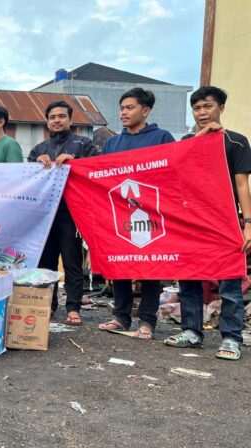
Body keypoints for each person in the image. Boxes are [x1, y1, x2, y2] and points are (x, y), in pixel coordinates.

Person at [165, 86, 251, 360]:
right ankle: (192, 332)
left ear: (221, 108)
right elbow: (174, 169)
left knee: (230, 283)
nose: (202, 113)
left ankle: (231, 338)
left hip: (225, 222)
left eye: (208, 106)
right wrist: (201, 138)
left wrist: (248, 223)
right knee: (189, 280)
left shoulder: (236, 142)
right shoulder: (187, 141)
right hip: (189, 221)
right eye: (197, 108)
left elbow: (242, 185)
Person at [96, 88, 175, 339]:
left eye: (130, 108)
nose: (123, 113)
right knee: (120, 264)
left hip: (151, 214)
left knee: (151, 267)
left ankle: (147, 320)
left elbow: (174, 171)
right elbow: (99, 175)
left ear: (146, 110)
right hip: (120, 214)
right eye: (121, 108)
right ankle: (121, 317)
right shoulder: (112, 143)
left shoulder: (162, 138)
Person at [28, 100, 99, 327]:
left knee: (72, 262)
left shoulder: (84, 144)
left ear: (70, 119)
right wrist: (36, 165)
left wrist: (76, 163)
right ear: (47, 122)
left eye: (61, 116)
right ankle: (48, 306)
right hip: (44, 218)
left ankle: (73, 308)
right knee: (45, 264)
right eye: (52, 117)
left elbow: (97, 170)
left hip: (72, 214)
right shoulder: (39, 149)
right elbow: (27, 179)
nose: (57, 120)